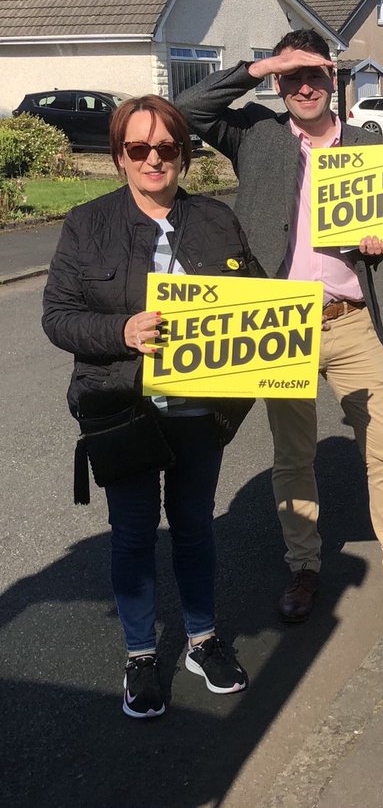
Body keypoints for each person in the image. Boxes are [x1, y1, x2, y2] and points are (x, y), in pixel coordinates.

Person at [176, 29, 383, 623]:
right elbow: (187, 110)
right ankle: (305, 567)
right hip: (278, 323)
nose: (305, 86)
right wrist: (260, 65)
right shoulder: (255, 136)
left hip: (350, 321)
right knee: (294, 454)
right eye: (293, 77)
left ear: (333, 81)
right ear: (282, 82)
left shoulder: (369, 143)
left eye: (315, 75)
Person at [43, 96, 257, 717]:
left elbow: (258, 298)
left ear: (184, 154)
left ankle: (202, 639)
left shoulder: (218, 219)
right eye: (139, 148)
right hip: (122, 407)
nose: (154, 159)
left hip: (200, 410)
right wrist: (123, 333)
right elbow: (58, 317)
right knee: (133, 532)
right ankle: (140, 652)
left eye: (167, 147)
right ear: (119, 157)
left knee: (195, 526)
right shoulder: (88, 224)